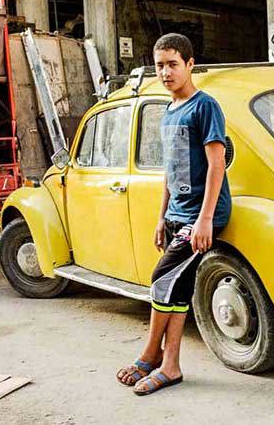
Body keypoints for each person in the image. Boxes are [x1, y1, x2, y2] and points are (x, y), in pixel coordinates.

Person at [116, 33, 231, 395]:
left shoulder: (205, 106)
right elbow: (171, 168)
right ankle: (171, 365)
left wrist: (205, 219)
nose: (165, 72)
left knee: (160, 278)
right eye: (160, 65)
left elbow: (217, 165)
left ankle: (151, 354)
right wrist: (160, 217)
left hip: (202, 215)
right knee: (177, 287)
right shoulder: (168, 110)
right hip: (177, 214)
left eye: (172, 64)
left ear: (190, 65)